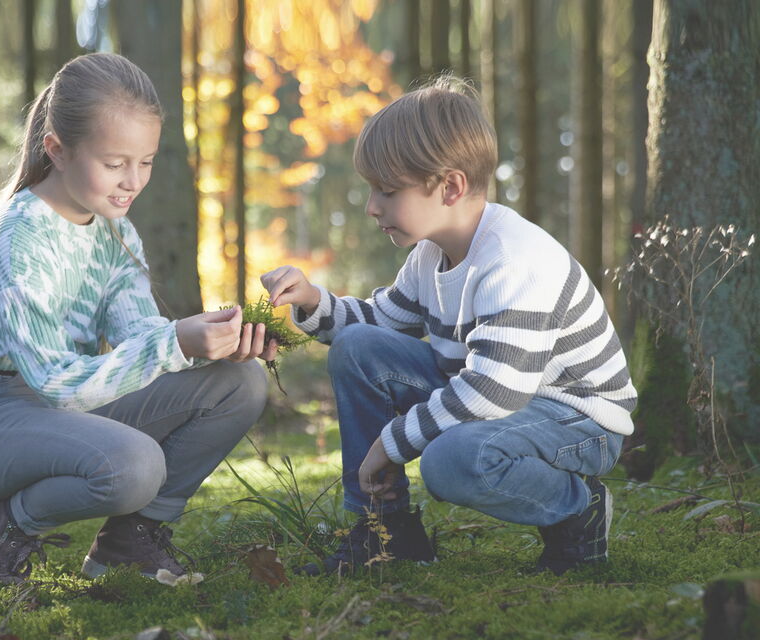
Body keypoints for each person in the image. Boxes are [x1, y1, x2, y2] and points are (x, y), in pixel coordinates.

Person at [260, 75, 637, 577]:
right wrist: (310, 300)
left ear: (451, 186)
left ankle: (578, 508)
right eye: (372, 190)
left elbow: (492, 391)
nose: (372, 207)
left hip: (578, 418)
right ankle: (384, 530)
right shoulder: (430, 255)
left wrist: (390, 444)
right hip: (500, 396)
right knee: (356, 346)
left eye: (388, 191)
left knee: (451, 461)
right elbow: (378, 325)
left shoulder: (512, 261)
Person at [0, 53, 276, 589]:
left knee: (238, 382)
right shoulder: (18, 242)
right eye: (115, 163)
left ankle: (129, 540)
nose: (132, 181)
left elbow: (140, 336)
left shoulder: (114, 231)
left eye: (147, 161)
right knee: (133, 467)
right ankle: (5, 526)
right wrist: (174, 345)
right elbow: (59, 385)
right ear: (58, 151)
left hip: (57, 403)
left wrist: (208, 341)